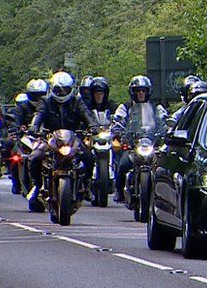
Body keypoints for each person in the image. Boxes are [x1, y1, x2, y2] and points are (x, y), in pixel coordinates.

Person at [26, 71, 97, 209]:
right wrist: (34, 126)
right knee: (35, 157)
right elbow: (39, 114)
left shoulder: (77, 101)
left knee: (89, 157)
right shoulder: (46, 101)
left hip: (73, 138)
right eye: (58, 90)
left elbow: (86, 114)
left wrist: (93, 126)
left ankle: (87, 185)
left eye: (65, 89)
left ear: (71, 89)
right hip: (51, 138)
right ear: (52, 89)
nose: (62, 92)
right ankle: (37, 185)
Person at [111, 75, 168, 202]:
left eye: (143, 90)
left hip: (151, 142)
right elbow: (118, 120)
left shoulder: (156, 108)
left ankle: (161, 195)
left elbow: (165, 120)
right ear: (132, 92)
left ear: (148, 92)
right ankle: (119, 191)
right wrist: (117, 129)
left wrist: (167, 129)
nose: (141, 93)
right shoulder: (125, 107)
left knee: (162, 167)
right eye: (137, 90)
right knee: (124, 164)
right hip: (133, 144)